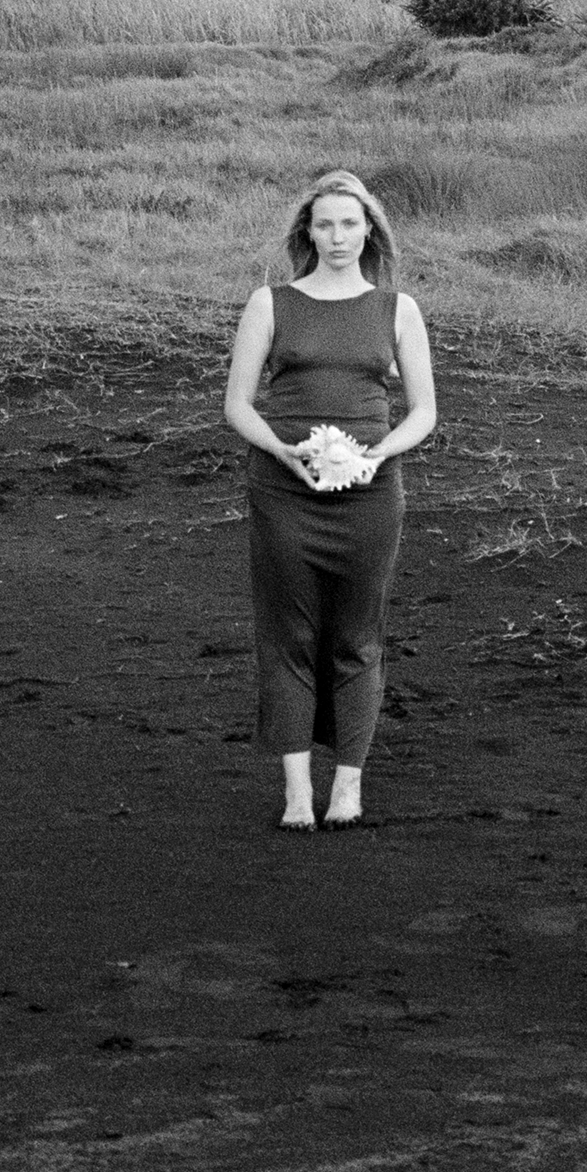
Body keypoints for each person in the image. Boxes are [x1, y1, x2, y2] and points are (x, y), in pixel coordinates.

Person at [221, 168, 439, 829]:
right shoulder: (270, 303)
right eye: (325, 225)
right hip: (283, 489)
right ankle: (296, 793)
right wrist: (281, 449)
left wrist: (378, 454)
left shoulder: (397, 308)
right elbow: (238, 405)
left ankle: (347, 786)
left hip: (370, 495)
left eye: (349, 224)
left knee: (357, 636)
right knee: (287, 634)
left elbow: (424, 412)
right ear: (308, 232)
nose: (338, 236)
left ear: (369, 230)